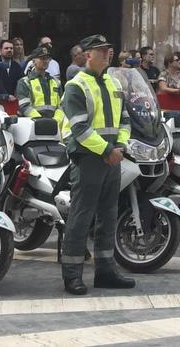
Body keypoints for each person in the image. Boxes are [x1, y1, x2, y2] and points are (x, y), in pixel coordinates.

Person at [56, 35, 134, 295]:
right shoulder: (76, 85)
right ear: (87, 54)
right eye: (101, 51)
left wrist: (120, 146)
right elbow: (79, 127)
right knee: (81, 216)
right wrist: (107, 150)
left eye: (109, 50)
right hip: (89, 157)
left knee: (108, 215)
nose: (107, 54)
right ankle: (72, 275)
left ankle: (105, 270)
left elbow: (124, 119)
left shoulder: (113, 82)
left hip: (111, 156)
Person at [17, 44, 66, 131]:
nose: (46, 61)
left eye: (47, 58)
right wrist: (40, 121)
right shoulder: (25, 82)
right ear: (34, 61)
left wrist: (56, 120)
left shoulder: (56, 82)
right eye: (42, 58)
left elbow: (62, 105)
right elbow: (24, 106)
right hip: (32, 126)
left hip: (55, 125)